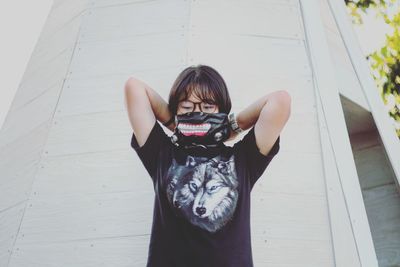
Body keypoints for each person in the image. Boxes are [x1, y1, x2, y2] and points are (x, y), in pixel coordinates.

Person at [124, 64, 291, 267]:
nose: (197, 113)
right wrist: (173, 125)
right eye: (186, 107)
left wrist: (232, 127)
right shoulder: (162, 153)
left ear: (221, 109)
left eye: (207, 107)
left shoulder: (243, 158)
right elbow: (134, 88)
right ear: (176, 109)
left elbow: (280, 102)